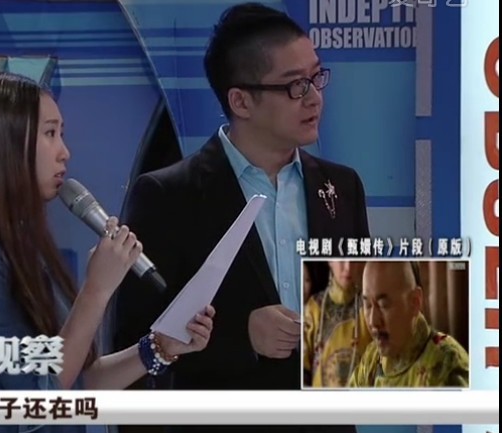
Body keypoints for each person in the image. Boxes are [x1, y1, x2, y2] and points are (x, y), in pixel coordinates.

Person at [0, 72, 215, 432]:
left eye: (60, 134)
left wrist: (159, 346)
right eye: (50, 133)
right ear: (6, 144)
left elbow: (76, 384)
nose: (65, 152)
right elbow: (40, 400)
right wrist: (96, 290)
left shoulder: (21, 251)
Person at [113, 3, 368, 433]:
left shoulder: (342, 188)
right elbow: (135, 350)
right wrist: (241, 336)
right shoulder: (168, 196)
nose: (314, 97)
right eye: (295, 86)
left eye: (316, 77)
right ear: (241, 100)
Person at [349, 261, 469, 388]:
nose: (373, 321)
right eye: (368, 305)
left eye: (383, 305)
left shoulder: (446, 364)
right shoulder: (371, 358)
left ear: (415, 302)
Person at [303, 260, 371, 387]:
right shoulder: (313, 308)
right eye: (341, 259)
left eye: (353, 259)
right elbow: (303, 372)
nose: (348, 267)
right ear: (329, 260)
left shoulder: (370, 307)